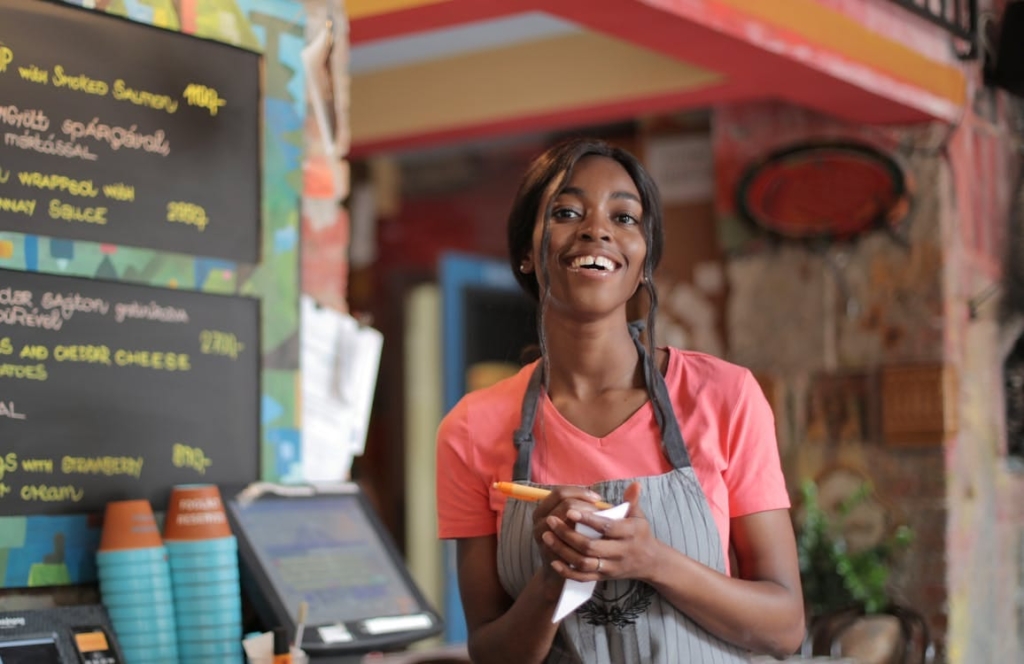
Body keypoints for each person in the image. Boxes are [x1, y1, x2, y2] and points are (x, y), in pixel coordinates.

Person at [435, 137, 804, 663]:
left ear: (645, 259)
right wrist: (551, 582)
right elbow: (490, 652)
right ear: (525, 253)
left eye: (625, 218)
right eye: (566, 211)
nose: (597, 229)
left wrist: (652, 560)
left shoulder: (726, 396)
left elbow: (784, 626)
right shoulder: (471, 427)